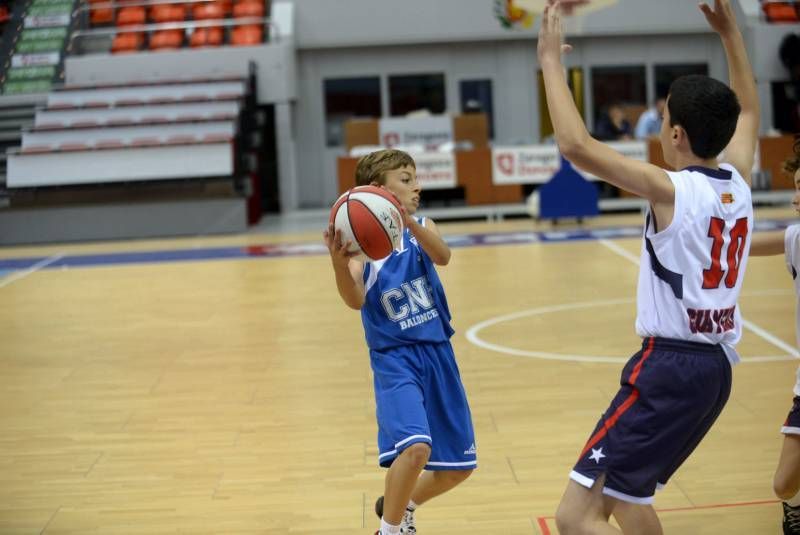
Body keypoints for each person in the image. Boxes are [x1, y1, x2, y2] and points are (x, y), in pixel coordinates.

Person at [537, 0, 759, 533]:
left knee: (575, 517)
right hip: (717, 370)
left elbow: (575, 145)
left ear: (677, 135)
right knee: (630, 497)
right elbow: (749, 111)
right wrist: (731, 33)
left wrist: (549, 60)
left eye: (663, 120)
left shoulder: (670, 189)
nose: (661, 128)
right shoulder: (741, 181)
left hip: (668, 369)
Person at [323, 149, 476, 535]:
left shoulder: (423, 225)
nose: (417, 186)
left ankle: (401, 505)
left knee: (459, 470)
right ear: (377, 191)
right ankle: (389, 531)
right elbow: (354, 299)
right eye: (406, 179)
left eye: (415, 178)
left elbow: (443, 256)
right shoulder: (360, 249)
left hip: (439, 354)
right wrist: (339, 264)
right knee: (416, 449)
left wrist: (408, 222)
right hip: (395, 359)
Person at [749, 138, 800, 535]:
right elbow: (740, 246)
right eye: (796, 188)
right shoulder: (795, 240)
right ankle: (795, 509)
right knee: (783, 484)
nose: (796, 198)